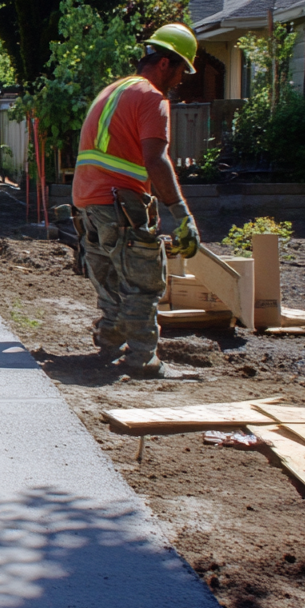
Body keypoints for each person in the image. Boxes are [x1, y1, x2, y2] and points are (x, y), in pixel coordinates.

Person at [72, 23, 202, 378]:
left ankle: (109, 347)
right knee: (144, 282)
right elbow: (155, 159)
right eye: (180, 71)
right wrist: (181, 213)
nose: (179, 81)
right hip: (119, 203)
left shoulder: (113, 90)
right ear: (165, 64)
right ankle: (143, 359)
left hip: (87, 202)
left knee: (110, 280)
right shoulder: (152, 99)